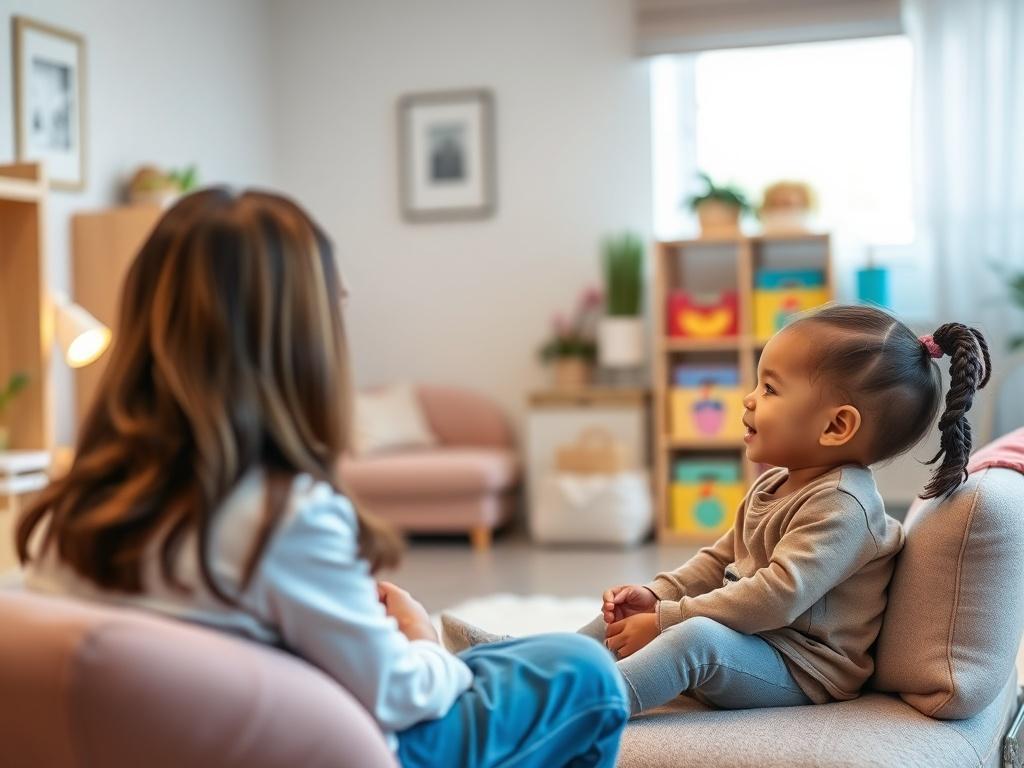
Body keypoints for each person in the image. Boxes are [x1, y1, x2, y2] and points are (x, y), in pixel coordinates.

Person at [17, 188, 629, 767]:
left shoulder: (73, 509)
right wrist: (421, 642)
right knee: (583, 671)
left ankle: (485, 654)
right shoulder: (280, 516)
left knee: (518, 657)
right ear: (297, 338)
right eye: (334, 306)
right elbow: (399, 695)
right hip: (359, 744)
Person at [446, 304, 991, 717]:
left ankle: (577, 707)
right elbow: (718, 560)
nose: (749, 399)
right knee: (621, 618)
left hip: (801, 669)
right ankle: (527, 661)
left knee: (696, 641)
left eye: (771, 388)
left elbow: (776, 596)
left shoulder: (843, 506)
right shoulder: (777, 482)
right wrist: (657, 594)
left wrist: (664, 622)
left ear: (835, 427)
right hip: (757, 640)